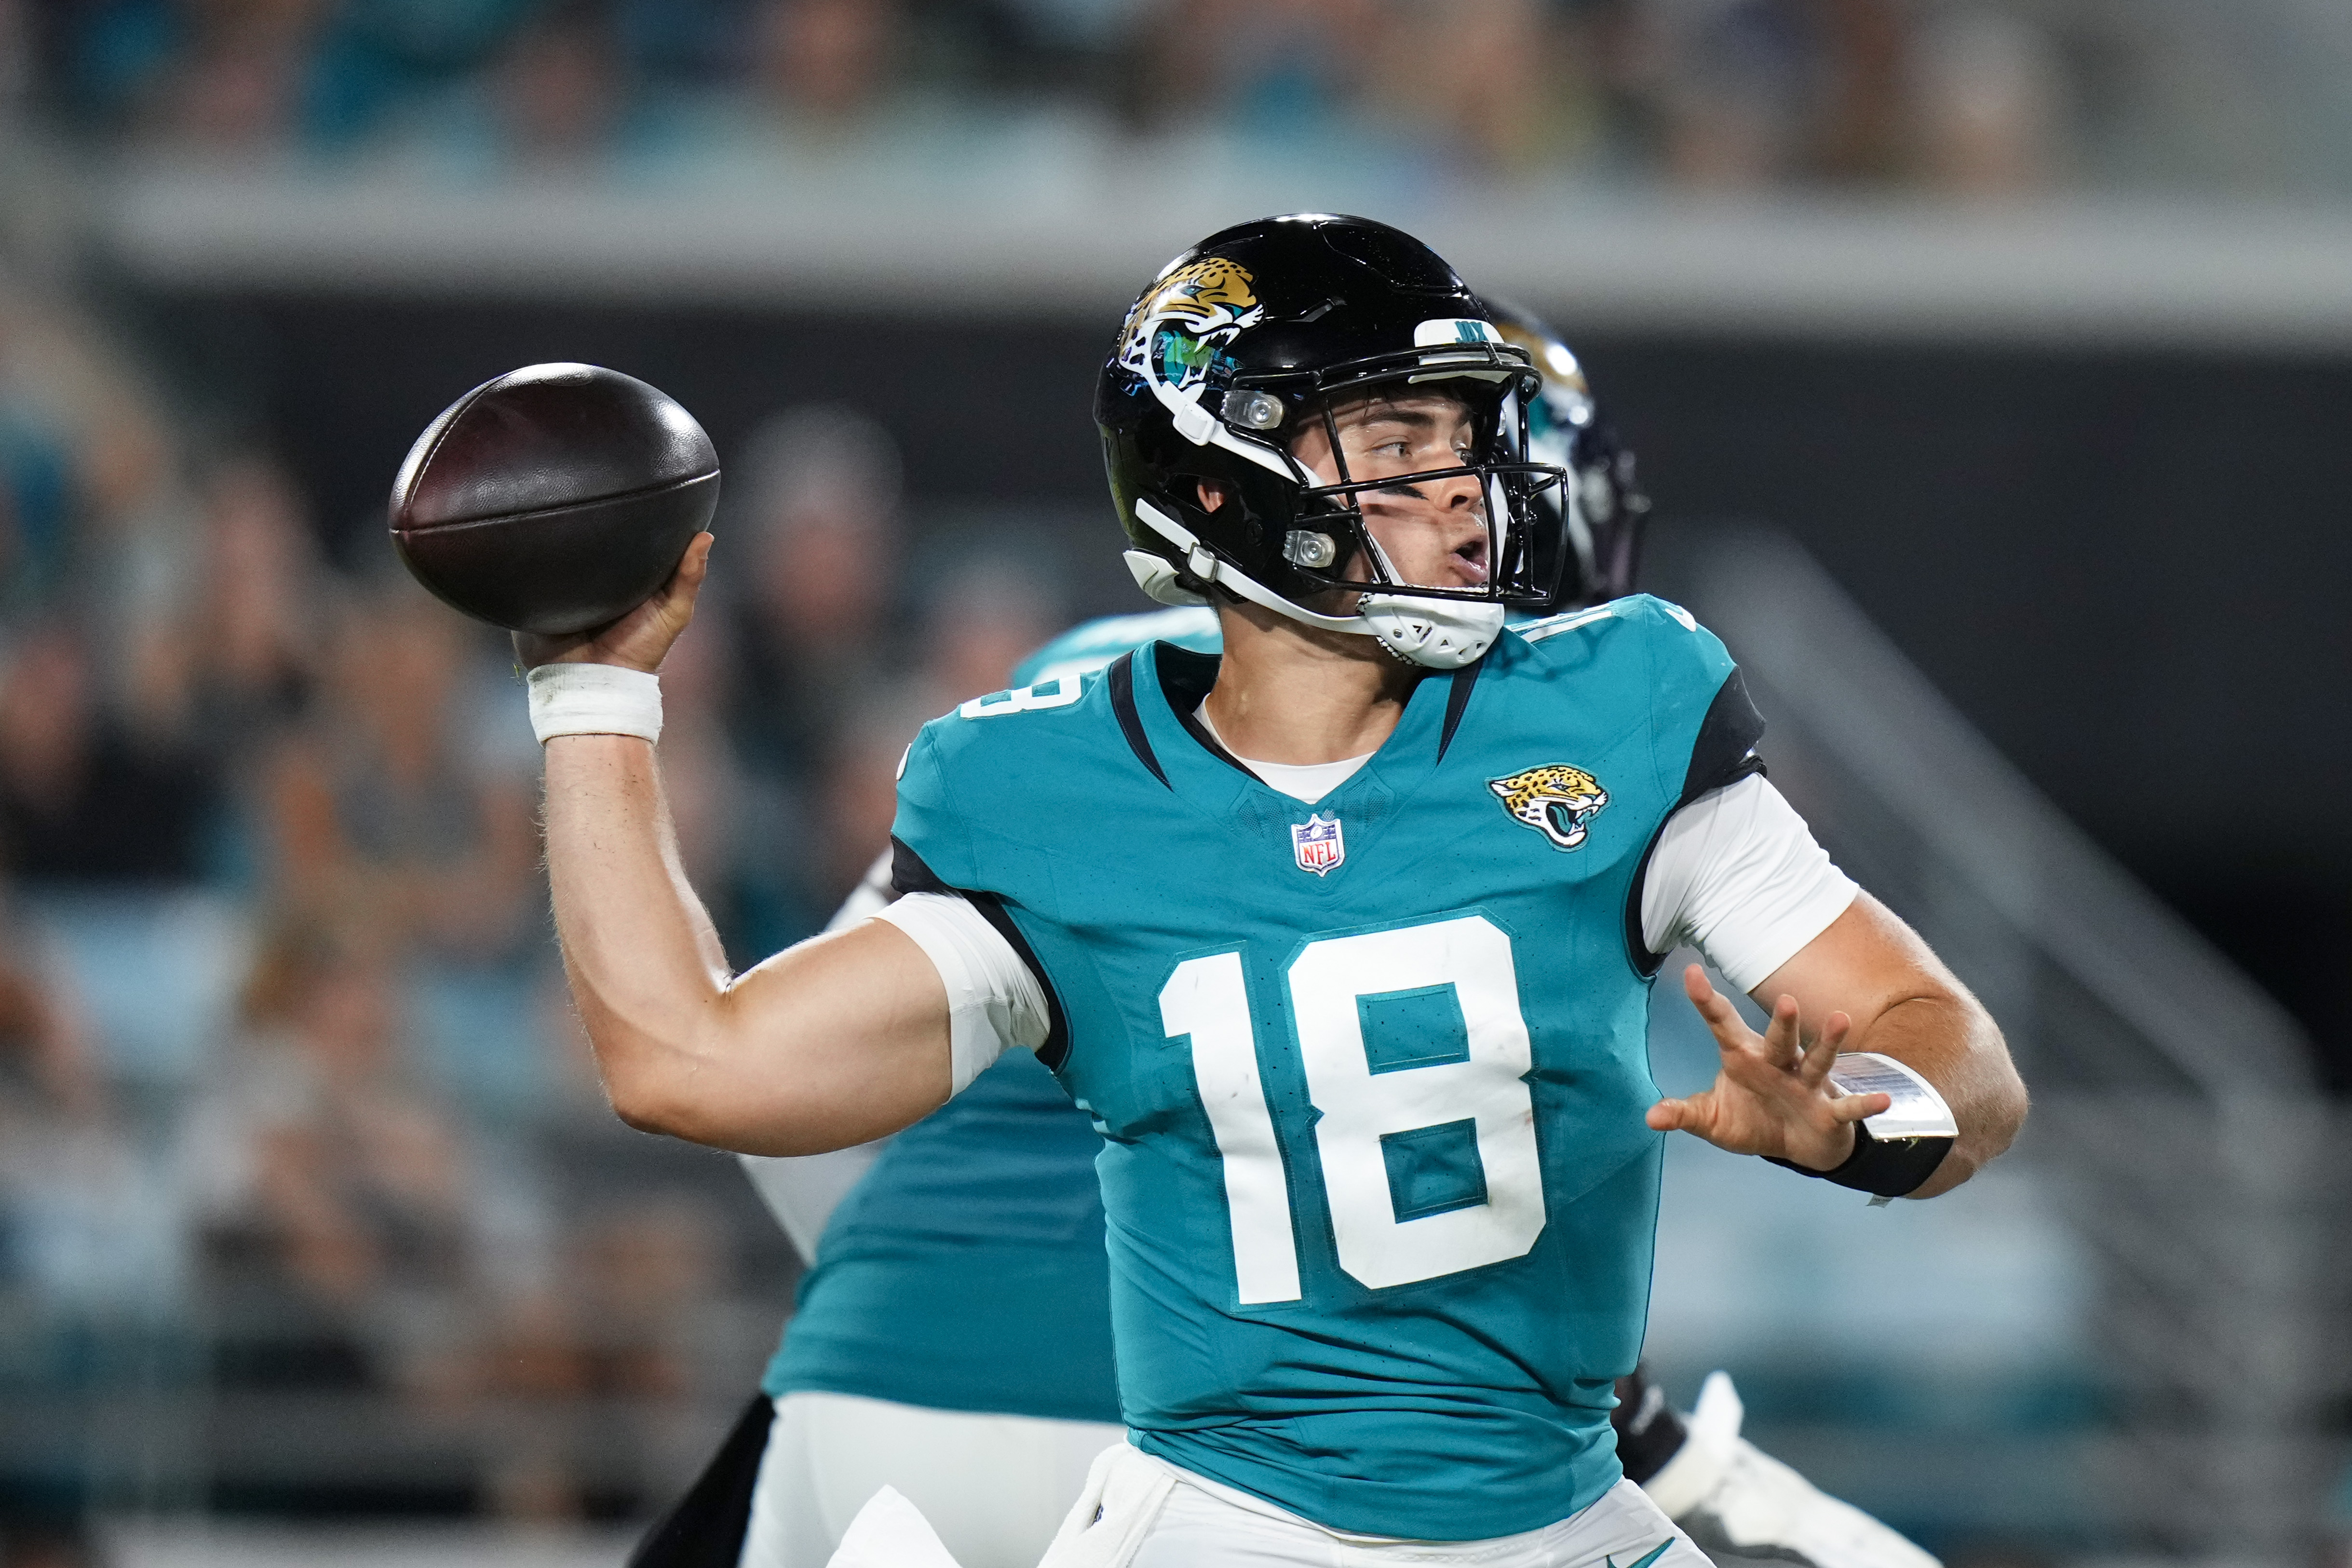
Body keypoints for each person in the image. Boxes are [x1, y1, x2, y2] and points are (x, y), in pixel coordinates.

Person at [523, 215, 2027, 1567]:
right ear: (1217, 481)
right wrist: (594, 696)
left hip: (1562, 1513)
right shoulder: (1052, 789)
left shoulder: (1613, 706)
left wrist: (1868, 1123)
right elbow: (688, 1062)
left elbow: (1955, 1049)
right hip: (1235, 1526)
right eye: (1394, 444)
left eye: (1461, 439)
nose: (1462, 494)